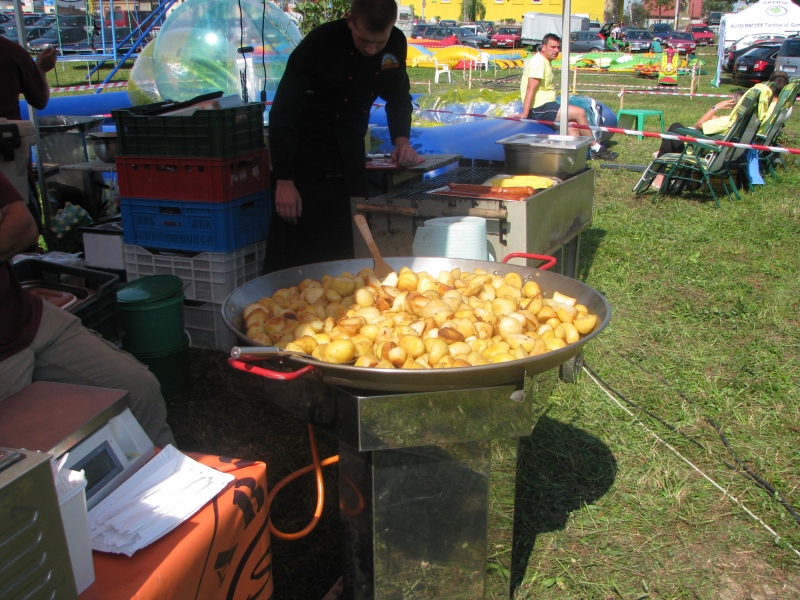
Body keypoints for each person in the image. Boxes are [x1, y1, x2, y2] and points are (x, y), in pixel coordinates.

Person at [0, 171, 176, 448]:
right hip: (4, 358)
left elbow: (22, 224)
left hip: (27, 316)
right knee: (29, 457)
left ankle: (166, 470)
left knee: (138, 387)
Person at [267, 0, 419, 271]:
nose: (371, 49)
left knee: (351, 255)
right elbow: (282, 115)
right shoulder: (319, 44)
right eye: (364, 40)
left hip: (351, 162)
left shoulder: (395, 44)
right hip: (305, 164)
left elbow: (398, 96)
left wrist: (401, 140)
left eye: (379, 42)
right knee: (298, 261)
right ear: (350, 20)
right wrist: (284, 181)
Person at [516, 33, 617, 160]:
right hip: (539, 108)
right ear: (543, 47)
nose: (556, 50)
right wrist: (525, 113)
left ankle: (571, 162)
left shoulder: (545, 61)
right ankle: (596, 148)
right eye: (553, 47)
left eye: (558, 47)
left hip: (548, 105)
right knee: (580, 112)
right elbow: (530, 88)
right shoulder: (538, 62)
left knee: (573, 127)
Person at [0, 36, 56, 120]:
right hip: (8, 125)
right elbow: (39, 100)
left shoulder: (12, 50)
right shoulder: (12, 51)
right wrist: (41, 69)